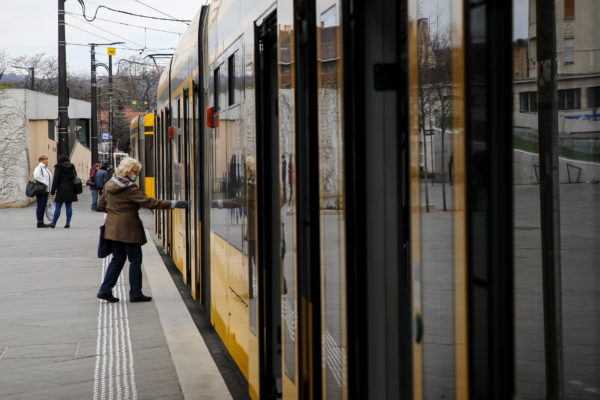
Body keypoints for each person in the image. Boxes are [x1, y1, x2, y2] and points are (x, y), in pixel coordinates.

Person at [96, 157, 188, 303]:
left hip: (112, 228)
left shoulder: (110, 184)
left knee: (117, 259)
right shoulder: (129, 187)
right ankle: (135, 293)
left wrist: (115, 211)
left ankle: (105, 289)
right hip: (128, 229)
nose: (136, 175)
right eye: (135, 172)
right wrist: (175, 203)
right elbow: (149, 203)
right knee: (135, 259)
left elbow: (100, 205)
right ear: (127, 170)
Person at [50, 155, 79, 228]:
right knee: (69, 206)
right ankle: (68, 223)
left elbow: (55, 180)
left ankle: (53, 223)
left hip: (61, 189)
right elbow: (75, 176)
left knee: (58, 206)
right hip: (71, 189)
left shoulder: (58, 167)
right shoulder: (72, 167)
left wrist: (53, 191)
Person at [33, 154, 52, 228]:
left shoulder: (45, 168)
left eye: (47, 159)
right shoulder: (39, 168)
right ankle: (39, 222)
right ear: (41, 160)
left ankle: (41, 221)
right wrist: (45, 183)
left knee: (43, 205)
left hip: (46, 190)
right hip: (41, 190)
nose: (47, 160)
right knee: (40, 205)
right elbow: (36, 176)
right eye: (45, 159)